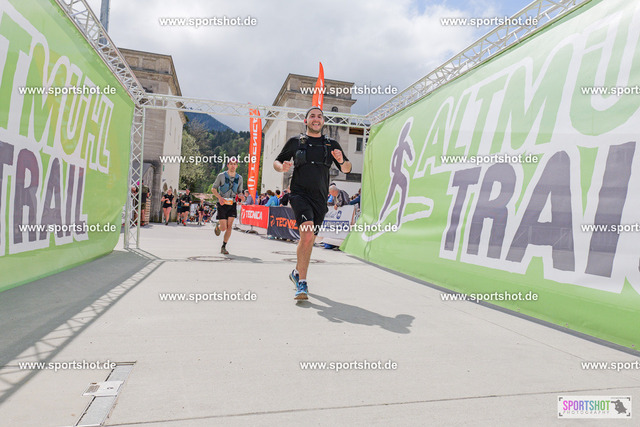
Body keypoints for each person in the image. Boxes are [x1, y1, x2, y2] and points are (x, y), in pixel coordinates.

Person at [273, 106, 351, 300]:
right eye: (312, 116)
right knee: (307, 234)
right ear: (306, 121)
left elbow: (347, 168)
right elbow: (277, 161)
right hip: (299, 195)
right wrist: (282, 167)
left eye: (319, 116)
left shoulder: (331, 144)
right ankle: (302, 283)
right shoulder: (295, 142)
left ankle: (296, 272)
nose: (316, 119)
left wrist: (342, 161)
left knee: (309, 239)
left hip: (320, 199)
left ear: (323, 121)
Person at [211, 158, 245, 254]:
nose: (233, 166)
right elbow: (213, 189)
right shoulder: (221, 176)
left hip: (232, 204)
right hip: (222, 204)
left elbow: (239, 192)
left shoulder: (239, 178)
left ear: (237, 166)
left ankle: (223, 246)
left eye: (234, 164)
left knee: (229, 227)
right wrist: (219, 197)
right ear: (228, 165)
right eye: (231, 164)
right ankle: (218, 227)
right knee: (224, 228)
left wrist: (241, 196)